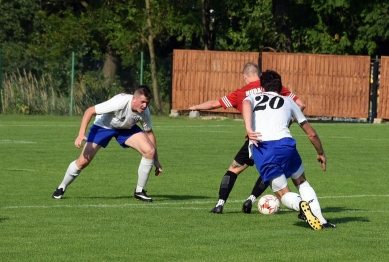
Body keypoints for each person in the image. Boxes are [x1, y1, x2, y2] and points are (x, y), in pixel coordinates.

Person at [188, 62, 305, 214]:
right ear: (259, 74)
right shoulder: (274, 87)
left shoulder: (241, 93)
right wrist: (287, 123)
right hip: (276, 140)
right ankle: (252, 199)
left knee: (234, 169)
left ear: (245, 76)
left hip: (253, 139)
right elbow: (301, 104)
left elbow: (214, 104)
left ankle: (220, 205)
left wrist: (195, 107)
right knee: (270, 172)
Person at [242, 70, 335, 229]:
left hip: (263, 148)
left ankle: (301, 207)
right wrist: (321, 153)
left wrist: (249, 129)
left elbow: (245, 103)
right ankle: (322, 220)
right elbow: (311, 134)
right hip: (286, 145)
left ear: (262, 87)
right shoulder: (288, 101)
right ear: (280, 87)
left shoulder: (252, 97)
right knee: (301, 181)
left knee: (283, 193)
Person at [52, 85, 163, 201]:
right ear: (134, 99)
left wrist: (155, 159)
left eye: (147, 102)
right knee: (83, 161)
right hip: (104, 127)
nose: (144, 105)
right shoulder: (119, 102)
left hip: (126, 128)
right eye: (142, 102)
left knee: (150, 151)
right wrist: (81, 134)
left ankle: (139, 191)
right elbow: (89, 111)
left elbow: (149, 133)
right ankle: (62, 186)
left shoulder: (145, 112)